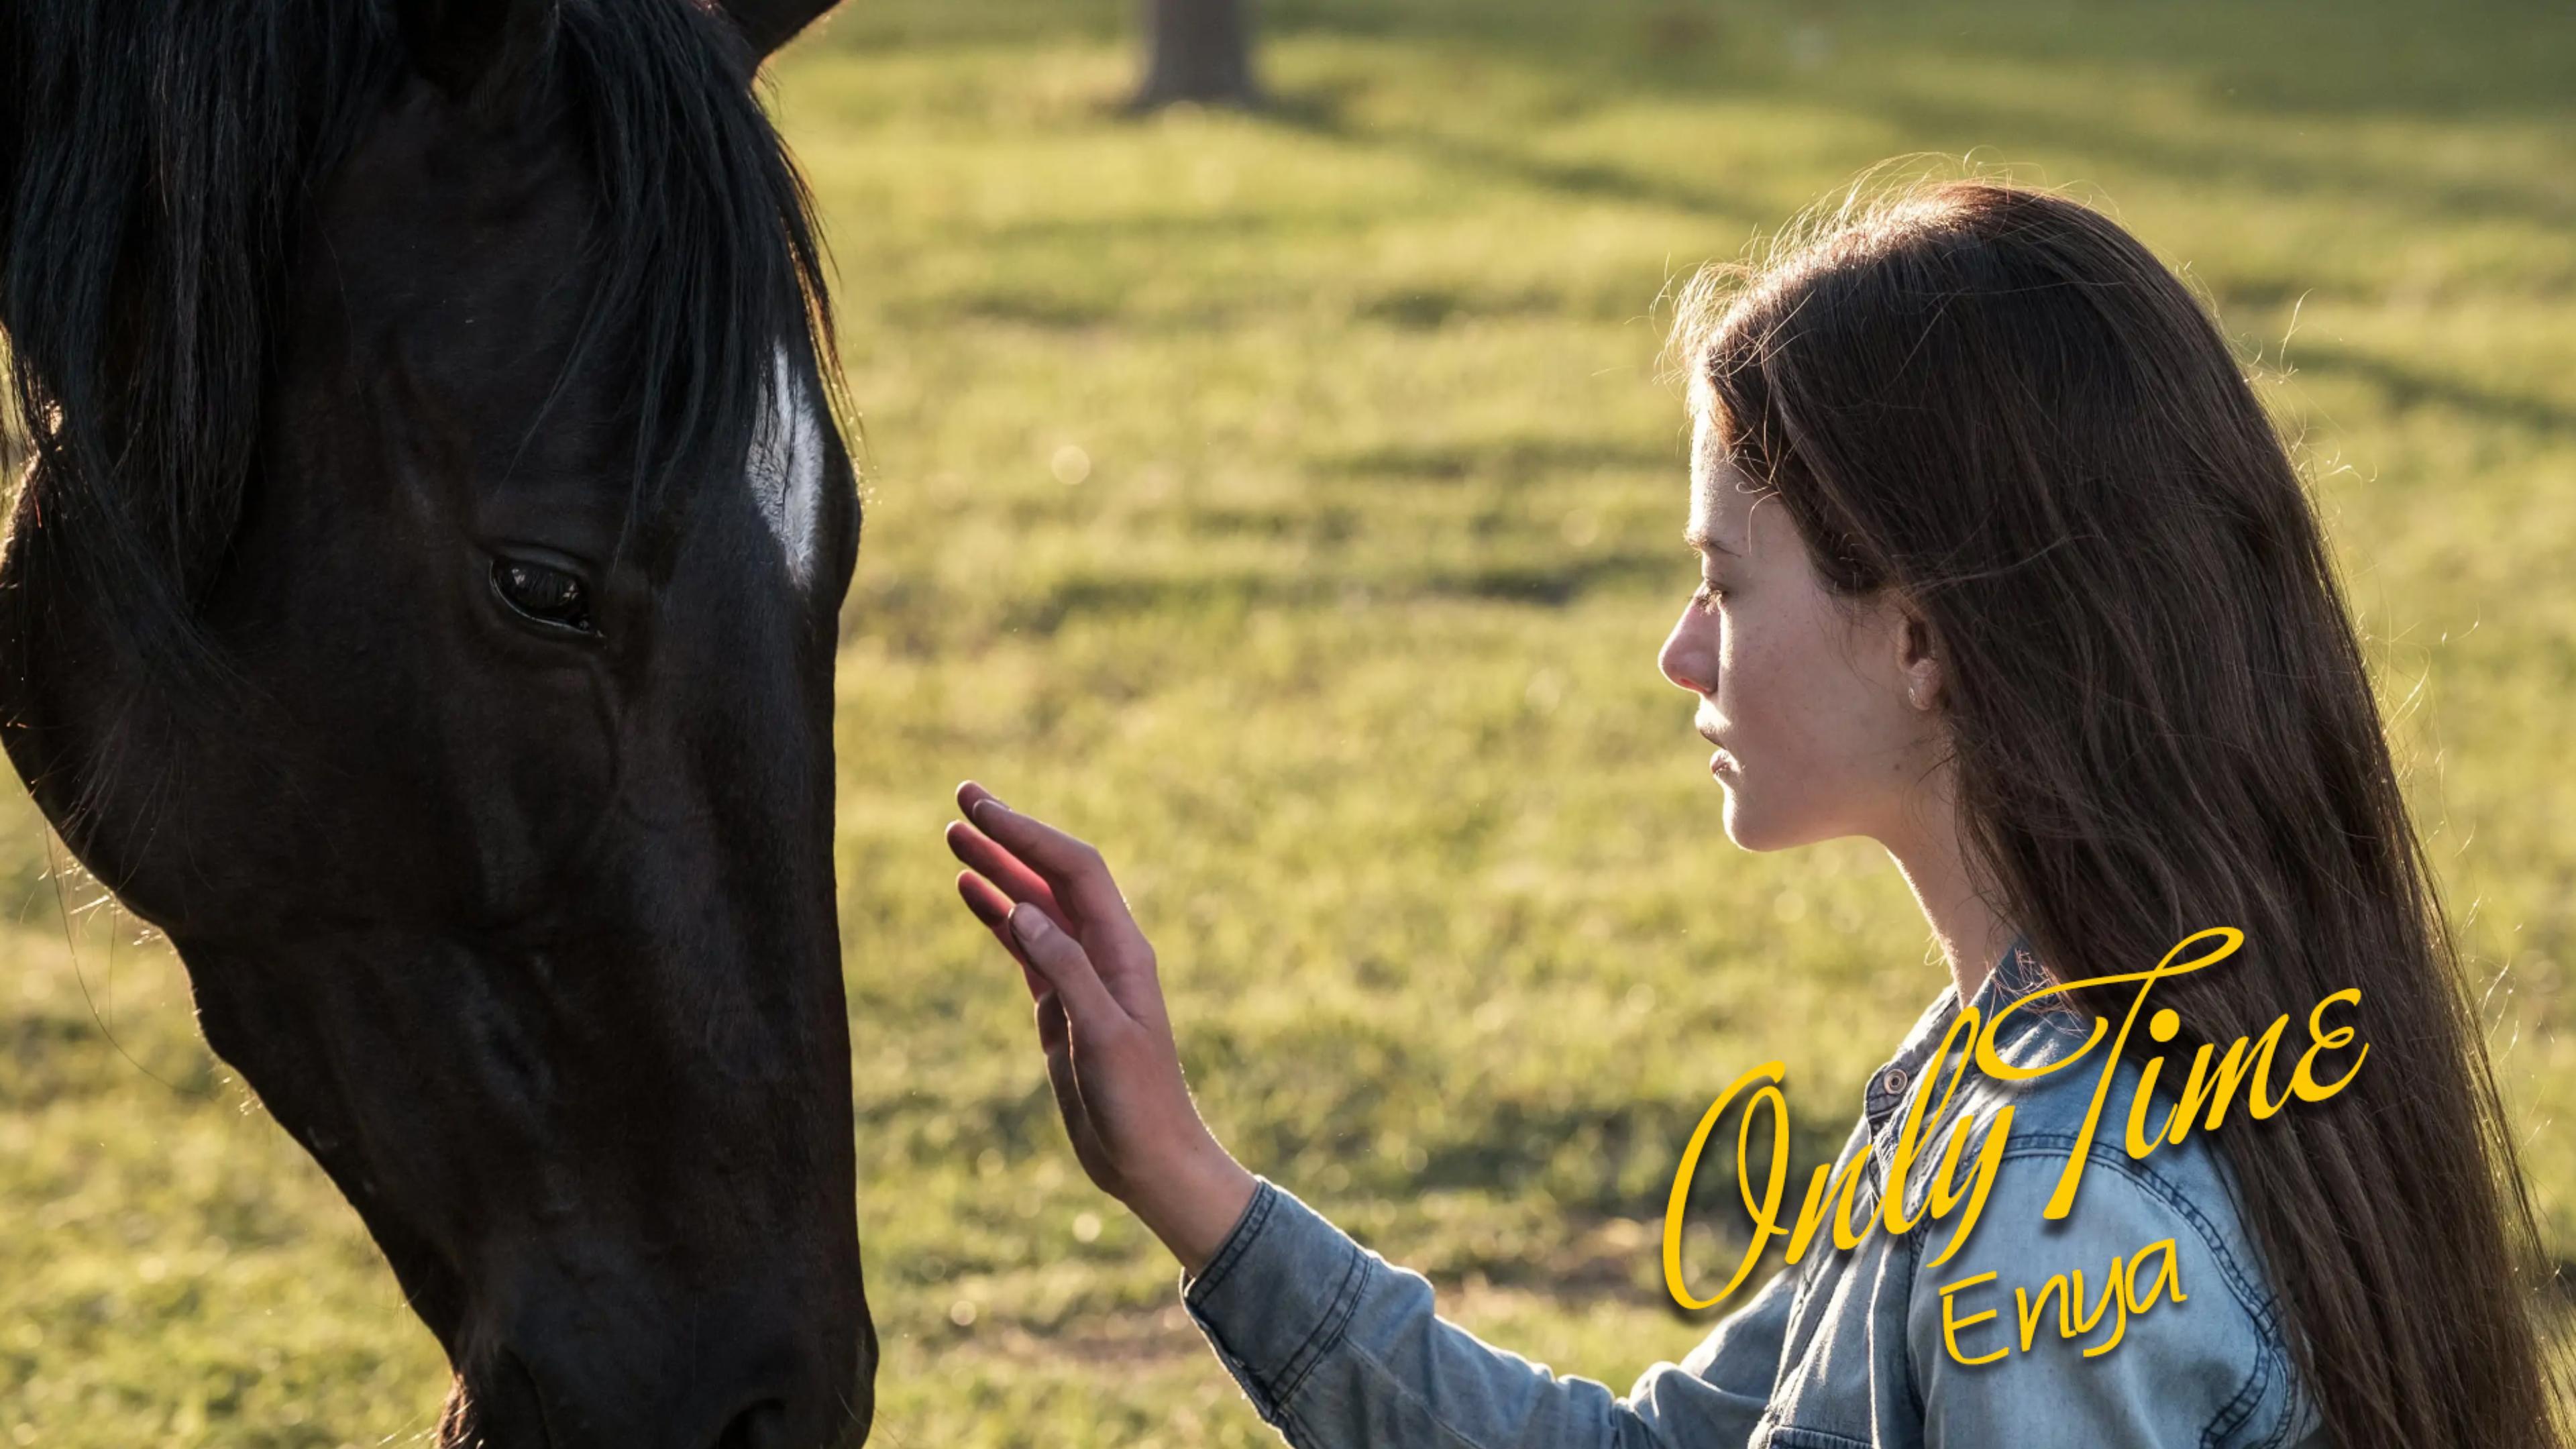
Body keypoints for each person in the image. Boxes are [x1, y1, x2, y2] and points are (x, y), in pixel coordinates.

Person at [942, 178, 2569, 1448]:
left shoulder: (2044, 1221)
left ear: (1924, 639)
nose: (1680, 652)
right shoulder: (2042, 1080)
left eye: (1725, 581)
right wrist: (1184, 1177)